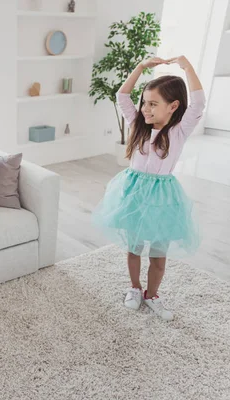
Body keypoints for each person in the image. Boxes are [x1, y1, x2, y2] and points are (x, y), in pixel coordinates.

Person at [92, 55, 205, 321]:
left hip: (163, 200)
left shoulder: (179, 131)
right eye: (144, 102)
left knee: (158, 254)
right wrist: (140, 66)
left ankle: (152, 294)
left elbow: (198, 102)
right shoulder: (138, 125)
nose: (145, 108)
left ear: (173, 106)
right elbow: (122, 96)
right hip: (133, 195)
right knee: (134, 248)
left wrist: (187, 67)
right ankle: (134, 288)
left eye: (153, 104)